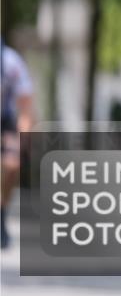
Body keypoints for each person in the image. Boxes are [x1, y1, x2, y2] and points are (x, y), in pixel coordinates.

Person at [1, 39, 35, 250]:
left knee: (11, 165)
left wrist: (21, 144)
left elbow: (25, 108)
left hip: (6, 119)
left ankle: (1, 212)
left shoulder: (11, 62)